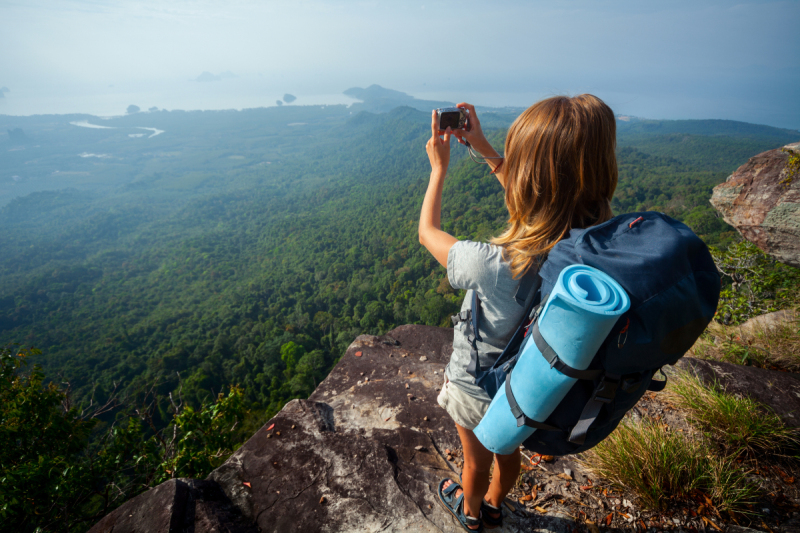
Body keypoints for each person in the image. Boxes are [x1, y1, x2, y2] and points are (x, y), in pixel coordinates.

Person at [418, 95, 618, 531]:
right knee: (507, 454)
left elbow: (427, 232)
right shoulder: (590, 244)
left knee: (474, 461)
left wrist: (439, 169)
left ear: (528, 180)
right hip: (528, 388)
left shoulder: (491, 264)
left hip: (476, 386)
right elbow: (550, 202)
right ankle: (494, 503)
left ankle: (472, 515)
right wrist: (485, 148)